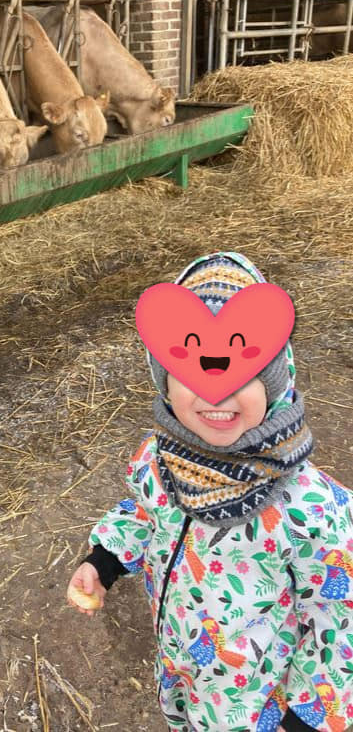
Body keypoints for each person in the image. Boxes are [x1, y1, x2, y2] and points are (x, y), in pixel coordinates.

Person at [67, 251, 353, 732]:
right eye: (192, 373)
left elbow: (340, 616)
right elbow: (142, 512)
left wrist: (308, 717)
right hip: (182, 664)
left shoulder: (310, 505)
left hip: (259, 705)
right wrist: (104, 561)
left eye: (244, 375)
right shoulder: (159, 460)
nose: (216, 395)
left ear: (275, 381)